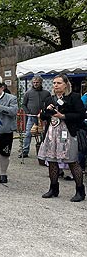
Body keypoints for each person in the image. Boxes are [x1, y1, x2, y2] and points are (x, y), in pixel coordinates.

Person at [38, 74, 85, 202]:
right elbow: (42, 117)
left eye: (58, 83)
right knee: (52, 161)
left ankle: (80, 191)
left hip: (67, 133)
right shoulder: (50, 99)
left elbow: (81, 115)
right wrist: (45, 112)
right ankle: (53, 188)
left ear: (65, 84)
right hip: (52, 133)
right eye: (54, 83)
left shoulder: (74, 97)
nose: (56, 85)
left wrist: (63, 115)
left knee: (72, 161)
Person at [21, 76, 51, 158]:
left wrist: (46, 112)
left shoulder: (46, 93)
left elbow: (50, 104)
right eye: (34, 82)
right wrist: (27, 112)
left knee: (43, 134)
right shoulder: (28, 93)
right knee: (28, 134)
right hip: (32, 117)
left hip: (43, 117)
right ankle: (25, 151)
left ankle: (43, 151)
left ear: (41, 82)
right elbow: (23, 104)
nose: (35, 84)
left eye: (37, 82)